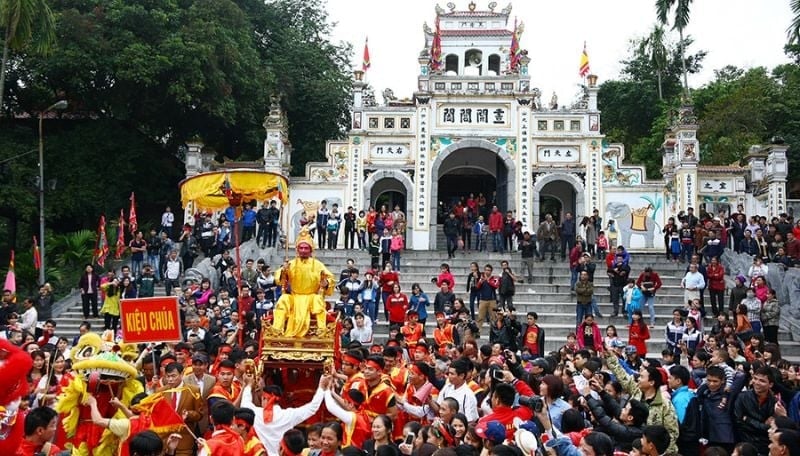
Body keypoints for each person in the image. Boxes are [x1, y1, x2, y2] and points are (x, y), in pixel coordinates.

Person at [240, 373, 326, 456]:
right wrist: (321, 386)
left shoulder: (256, 414)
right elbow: (312, 408)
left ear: (264, 398)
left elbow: (245, 404)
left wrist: (248, 385)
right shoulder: (289, 415)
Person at [272, 228, 334, 337]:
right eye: (301, 248)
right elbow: (279, 279)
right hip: (294, 297)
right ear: (297, 249)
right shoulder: (290, 264)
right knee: (283, 299)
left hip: (311, 297)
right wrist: (283, 271)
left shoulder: (318, 265)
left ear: (311, 250)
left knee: (318, 300)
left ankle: (321, 329)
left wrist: (326, 283)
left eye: (306, 248)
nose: (303, 250)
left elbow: (330, 278)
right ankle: (277, 329)